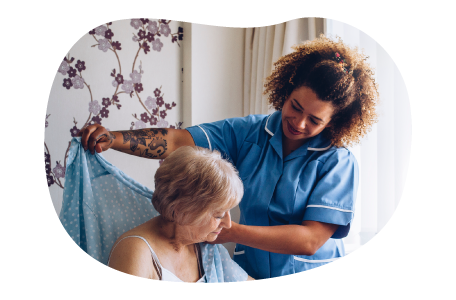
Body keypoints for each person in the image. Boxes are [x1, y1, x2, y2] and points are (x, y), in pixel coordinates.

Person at [80, 34, 379, 283]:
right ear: (285, 91)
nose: (299, 123)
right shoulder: (248, 133)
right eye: (295, 107)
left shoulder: (337, 162)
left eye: (314, 120)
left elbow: (310, 240)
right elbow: (177, 140)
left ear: (335, 122)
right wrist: (114, 139)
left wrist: (226, 230)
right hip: (251, 272)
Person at [107, 145, 256, 283]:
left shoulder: (207, 248)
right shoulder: (135, 253)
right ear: (182, 209)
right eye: (218, 215)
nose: (228, 224)